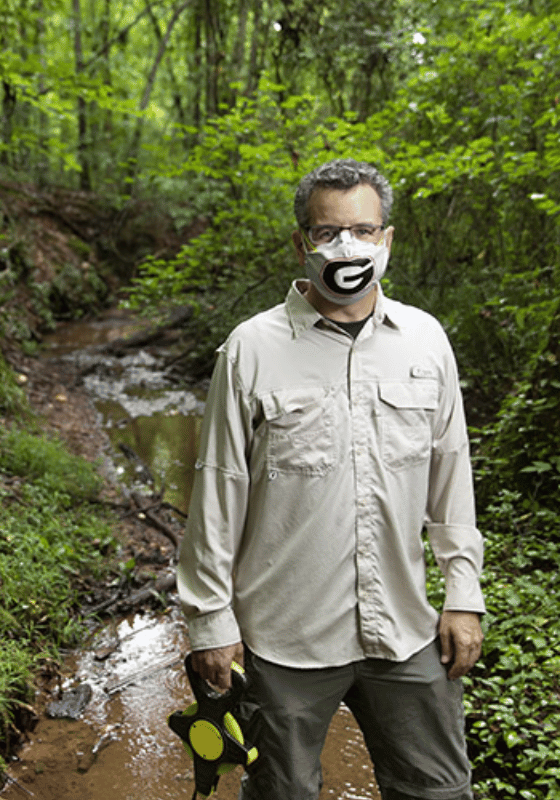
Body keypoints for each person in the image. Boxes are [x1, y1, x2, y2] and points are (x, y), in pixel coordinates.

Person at [176, 158, 486, 800]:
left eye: (364, 230)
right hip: (283, 638)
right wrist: (210, 620)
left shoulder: (425, 343)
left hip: (403, 629)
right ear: (302, 243)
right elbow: (217, 490)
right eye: (328, 233)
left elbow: (451, 475)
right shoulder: (251, 350)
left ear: (387, 239)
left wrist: (463, 592)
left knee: (438, 791)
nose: (348, 246)